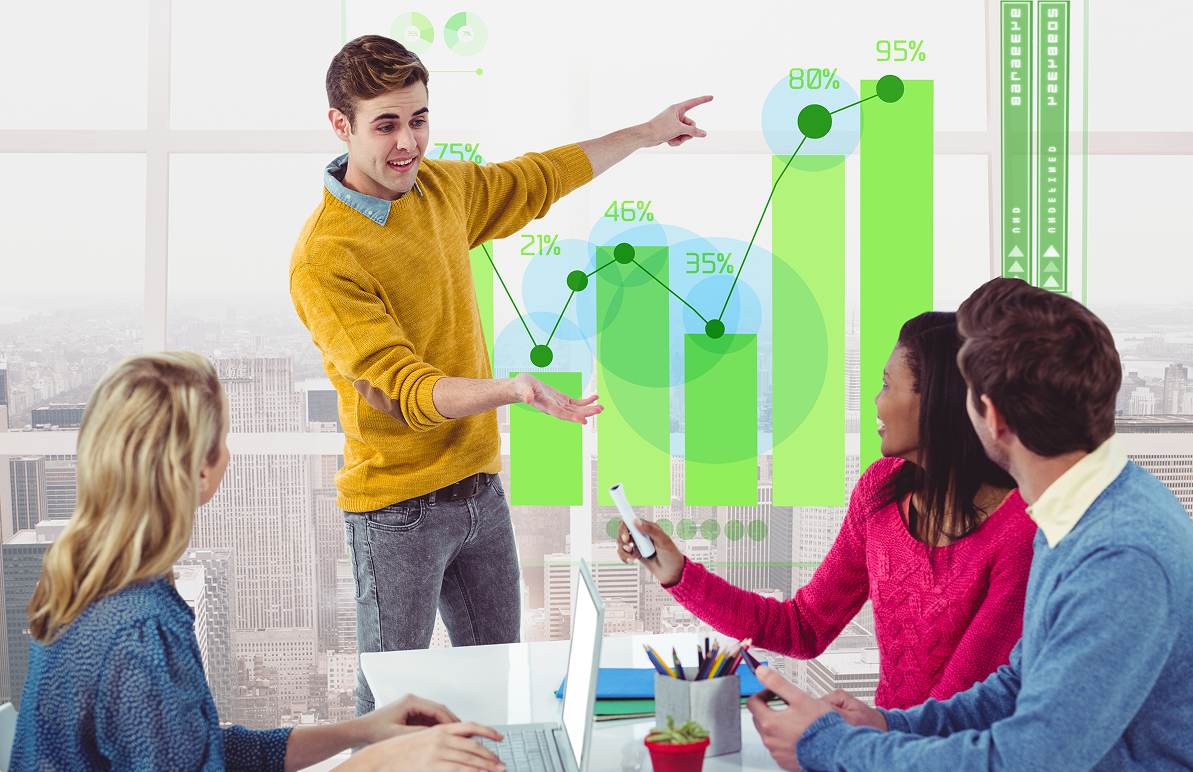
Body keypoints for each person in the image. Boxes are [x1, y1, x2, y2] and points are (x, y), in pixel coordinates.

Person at [289, 34, 711, 716]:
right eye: (386, 125)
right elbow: (403, 391)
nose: (408, 143)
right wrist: (512, 390)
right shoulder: (325, 257)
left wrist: (644, 132)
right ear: (341, 125)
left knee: (499, 690)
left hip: (479, 492)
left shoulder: (440, 190)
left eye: (419, 119)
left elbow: (538, 178)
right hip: (396, 511)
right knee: (388, 709)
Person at [745, 278, 1193, 772]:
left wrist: (827, 748)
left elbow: (1029, 760)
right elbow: (1016, 685)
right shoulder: (1076, 508)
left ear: (992, 417)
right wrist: (887, 725)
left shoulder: (1118, 554)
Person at [11, 352, 508, 772]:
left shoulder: (91, 580)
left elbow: (200, 751)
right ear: (199, 472)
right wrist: (381, 762)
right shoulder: (140, 632)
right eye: (225, 440)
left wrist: (364, 730)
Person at [619, 311, 1035, 709]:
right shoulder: (881, 489)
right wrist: (677, 572)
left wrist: (838, 734)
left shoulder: (1020, 534)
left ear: (936, 402)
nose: (876, 401)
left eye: (887, 385)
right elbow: (803, 627)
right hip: (883, 742)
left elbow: (956, 713)